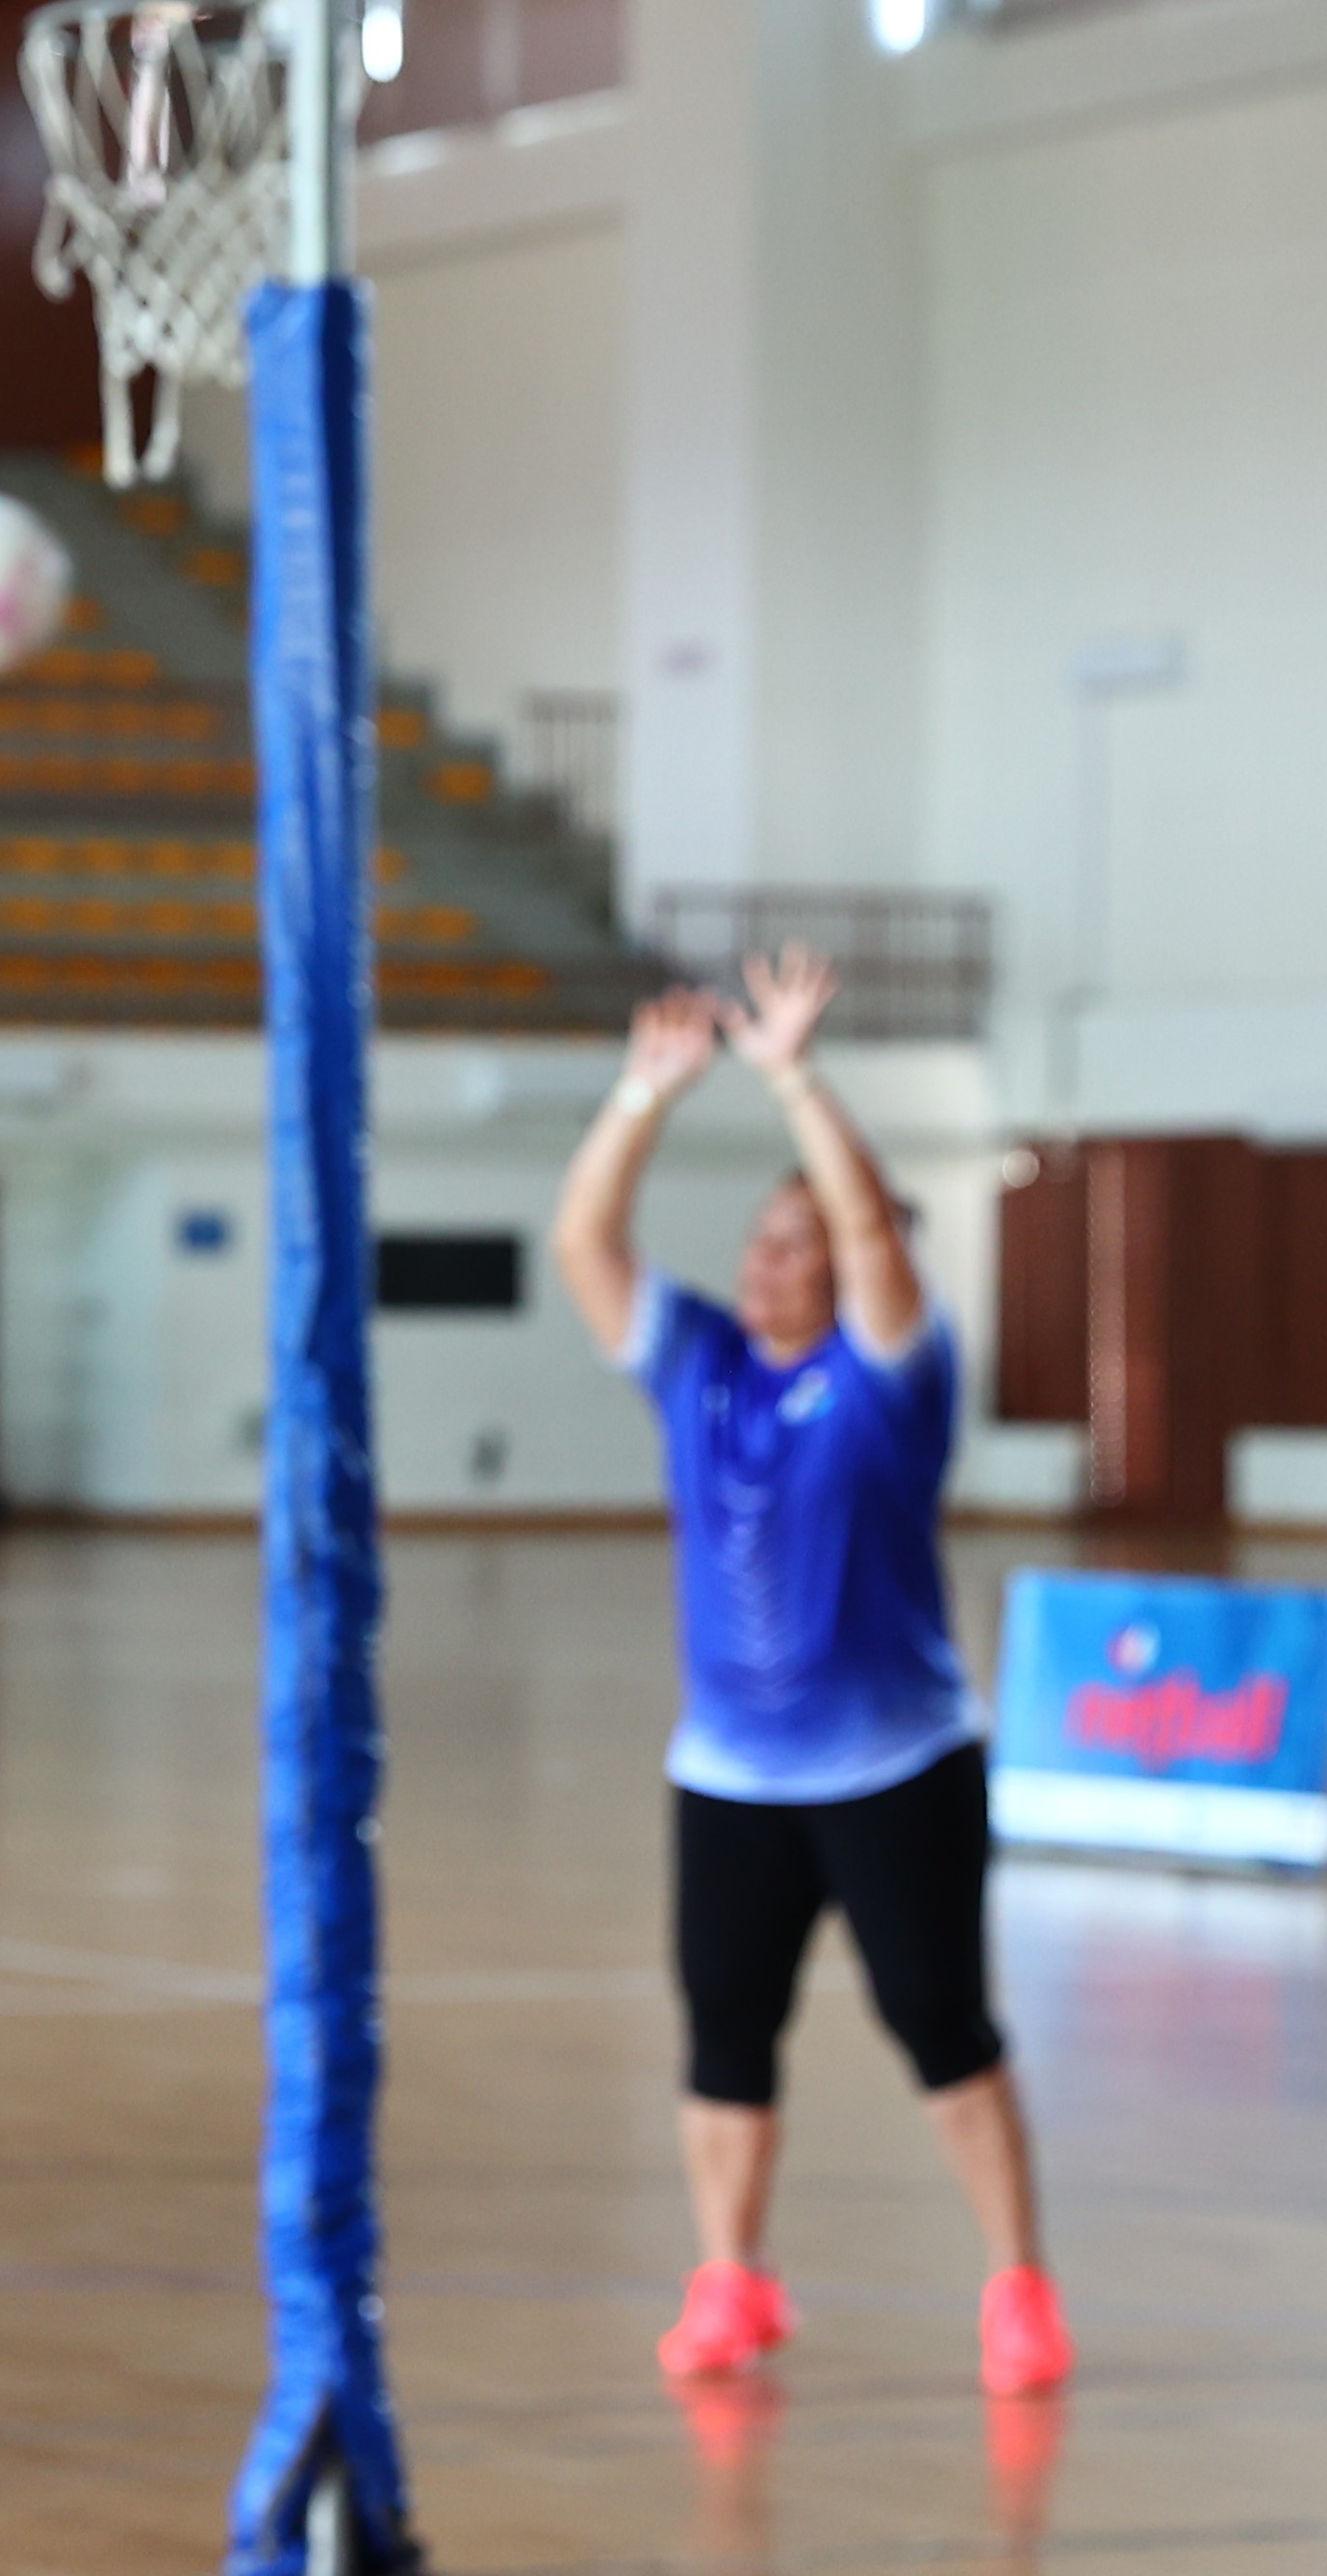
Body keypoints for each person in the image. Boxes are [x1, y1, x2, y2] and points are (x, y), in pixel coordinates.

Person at [550, 947, 1071, 2402]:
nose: (764, 1256)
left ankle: (1016, 2287)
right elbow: (587, 1244)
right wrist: (641, 1095)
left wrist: (789, 1077)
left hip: (896, 1765)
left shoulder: (892, 1375)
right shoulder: (700, 1363)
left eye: (795, 1240)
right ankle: (729, 2280)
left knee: (939, 2028)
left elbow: (870, 1231)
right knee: (724, 2038)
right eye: (759, 1237)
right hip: (727, 1773)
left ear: (846, 1267)